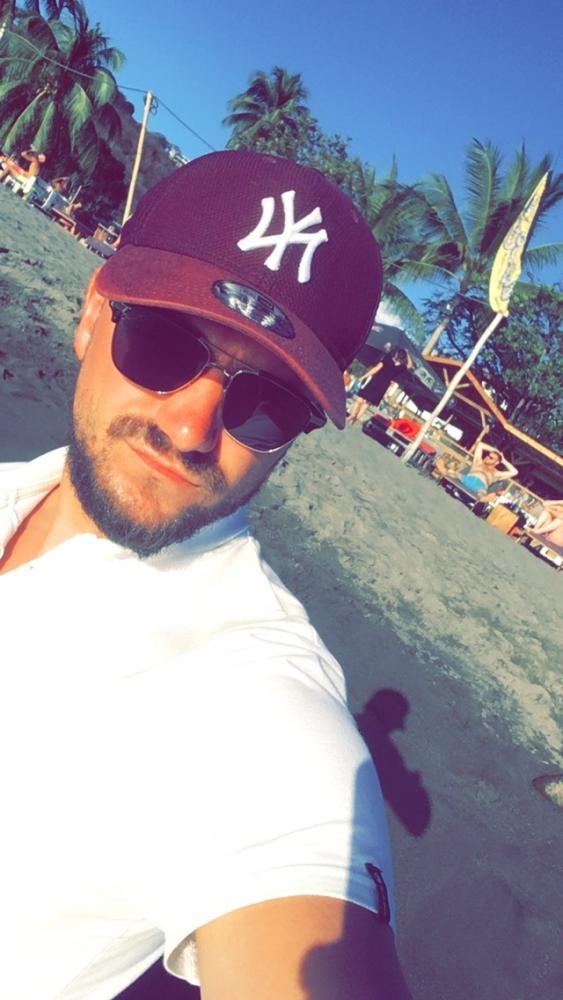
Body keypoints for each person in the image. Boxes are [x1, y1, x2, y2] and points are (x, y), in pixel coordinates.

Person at [0, 151, 411, 999]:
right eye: (162, 346)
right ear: (93, 314)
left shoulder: (248, 691)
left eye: (266, 402)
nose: (192, 428)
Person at [347, 347, 412, 425]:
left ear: (396, 354)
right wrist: (407, 353)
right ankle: (355, 419)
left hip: (375, 381)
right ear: (403, 358)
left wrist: (364, 376)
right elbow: (410, 365)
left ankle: (352, 415)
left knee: (360, 399)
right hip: (383, 386)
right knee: (367, 404)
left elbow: (376, 368)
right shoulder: (401, 368)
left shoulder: (388, 359)